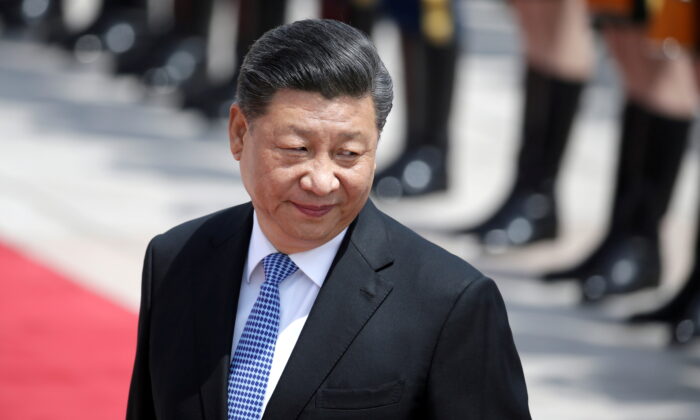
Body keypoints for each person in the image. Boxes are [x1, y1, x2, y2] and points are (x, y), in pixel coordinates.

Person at [126, 19, 530, 420]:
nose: (321, 181)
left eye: (349, 155)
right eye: (296, 148)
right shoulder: (176, 260)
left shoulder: (449, 304)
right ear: (238, 134)